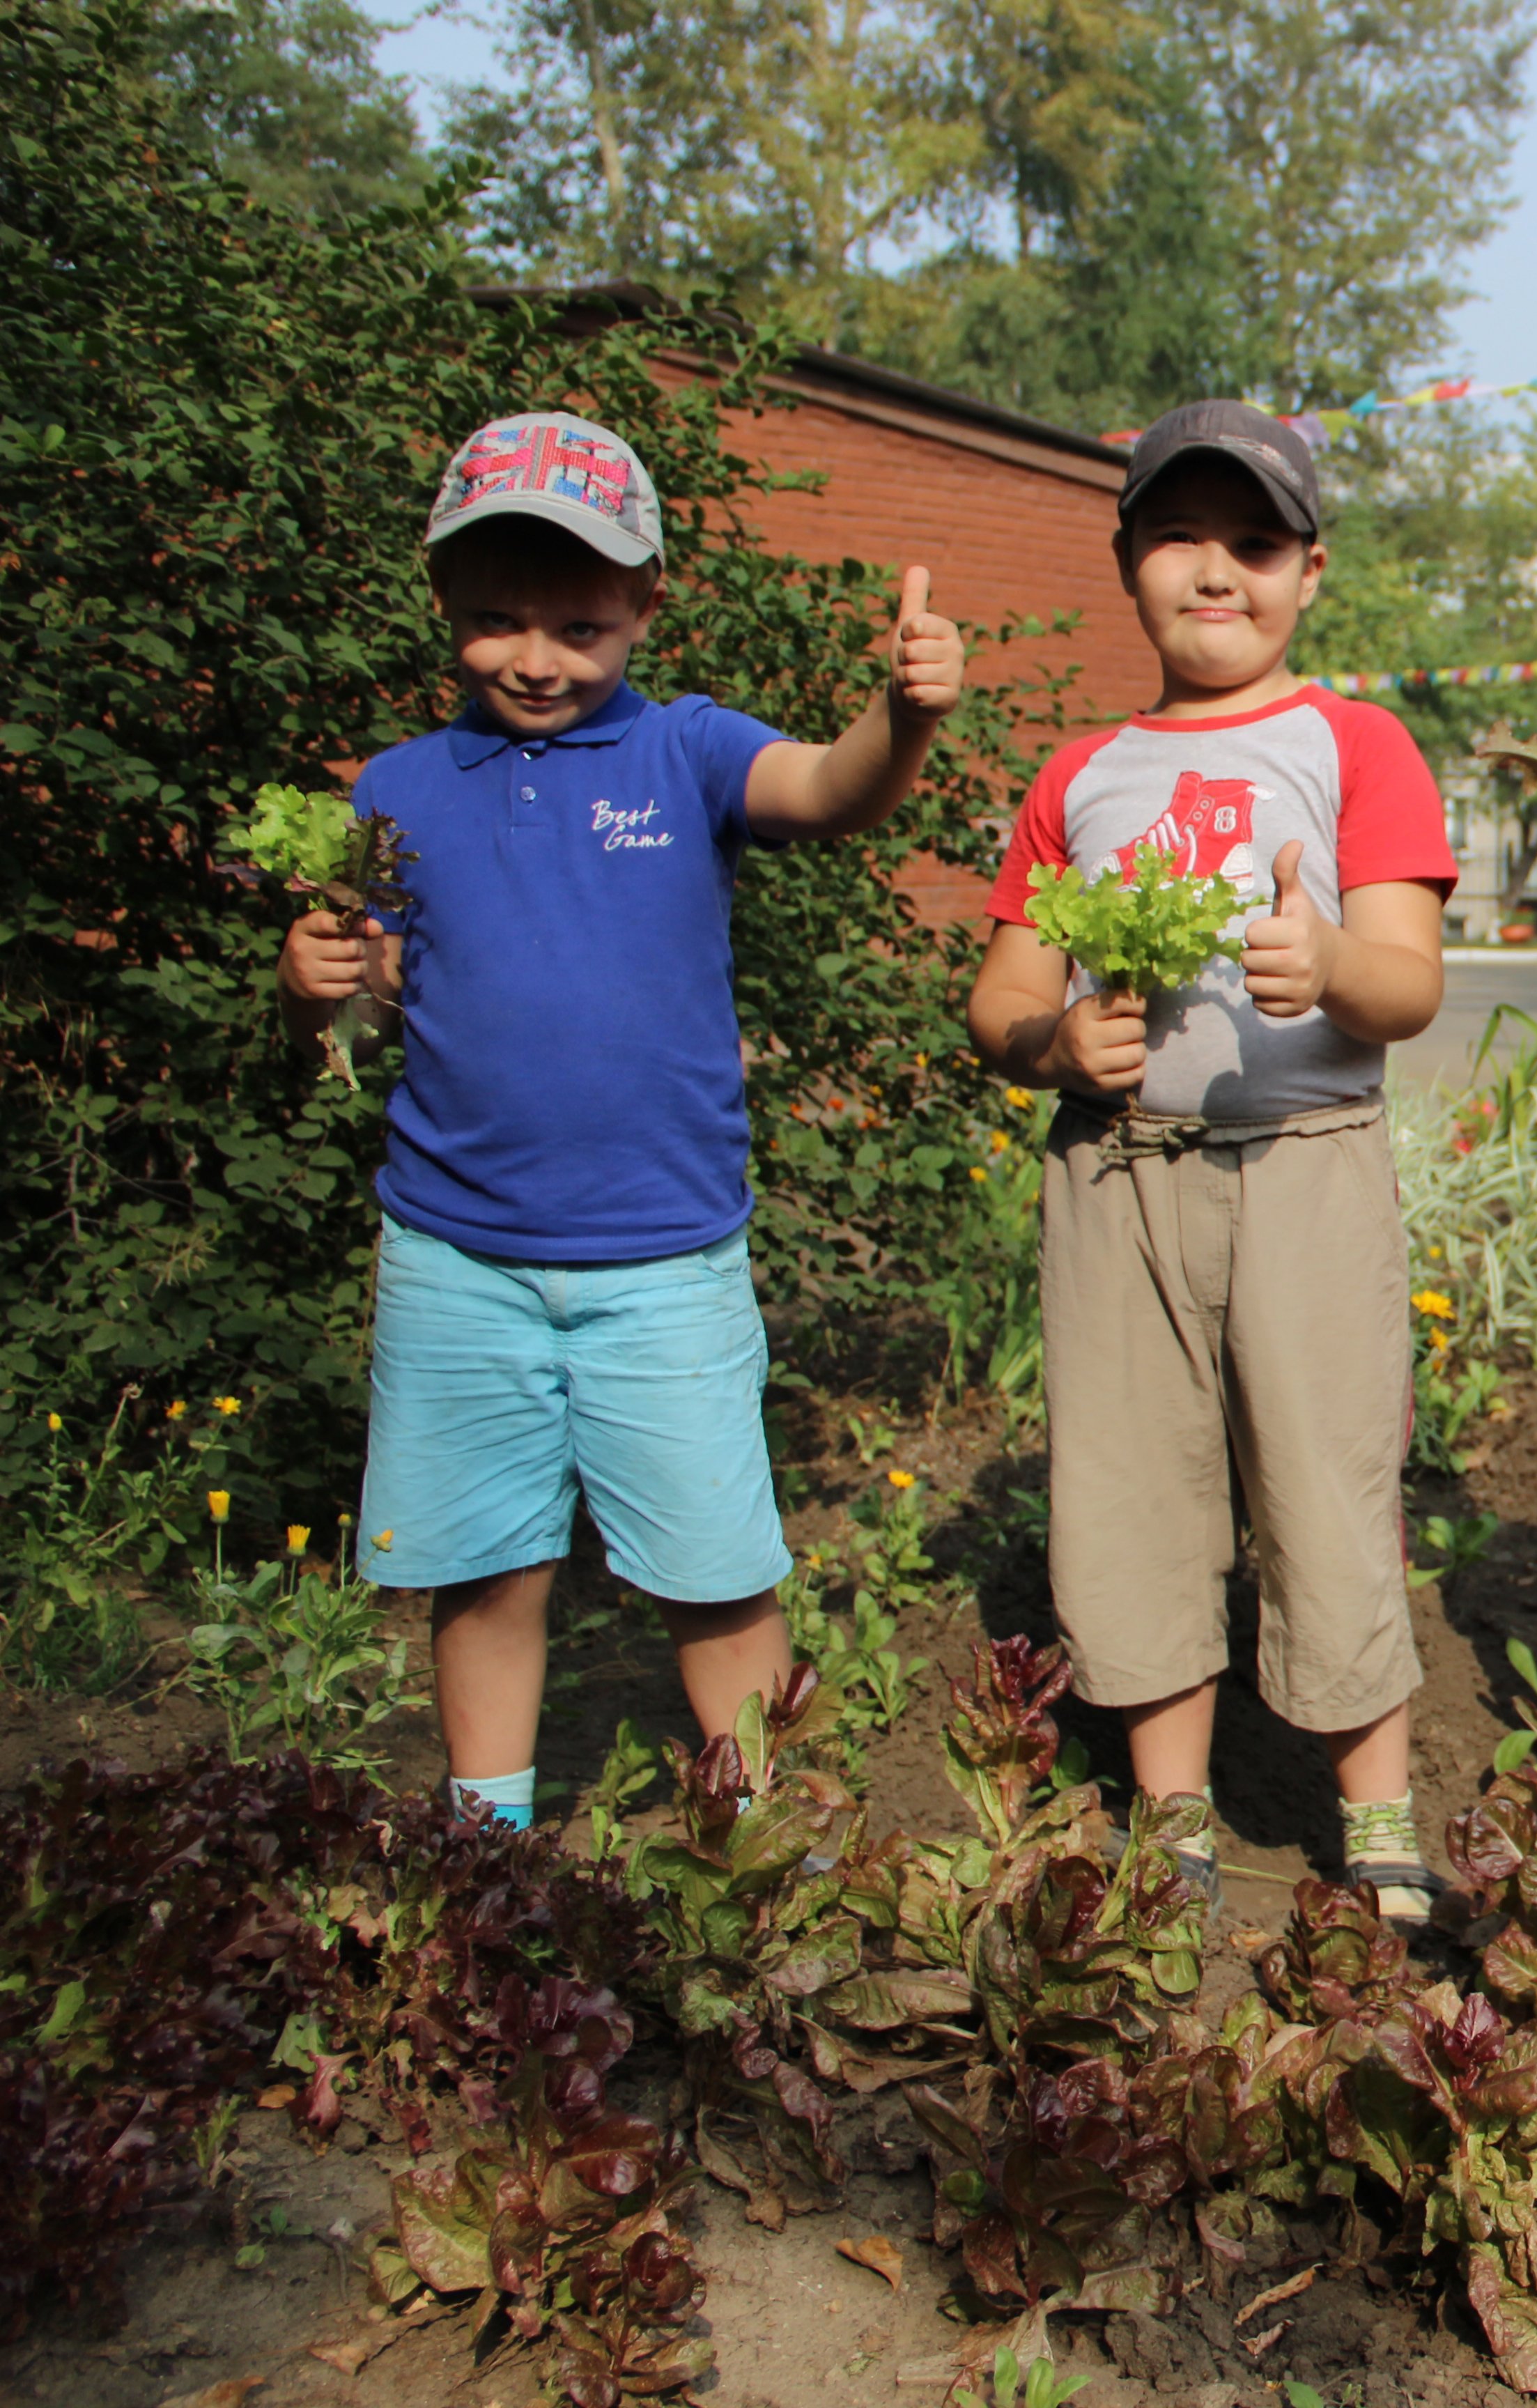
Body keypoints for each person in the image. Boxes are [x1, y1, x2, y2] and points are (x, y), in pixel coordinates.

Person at [275, 409, 966, 1831]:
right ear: (442, 606)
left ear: (648, 602)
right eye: (495, 620)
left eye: (580, 624)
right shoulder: (396, 790)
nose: (535, 656)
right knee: (486, 1565)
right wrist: (315, 984)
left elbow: (829, 793)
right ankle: (487, 1842)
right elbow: (376, 1003)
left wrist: (902, 718)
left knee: (714, 1570)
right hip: (457, 1251)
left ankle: (768, 1847)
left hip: (661, 1257)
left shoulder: (689, 754)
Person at [965, 402, 1455, 1920]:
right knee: (1130, 1481)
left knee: (1322, 1476)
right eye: (1180, 538)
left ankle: (1373, 1809)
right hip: (1117, 1179)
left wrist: (1328, 958)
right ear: (1128, 565)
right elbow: (998, 994)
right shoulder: (1083, 773)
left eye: (1253, 542)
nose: (1217, 571)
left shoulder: (1354, 743)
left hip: (1306, 1164)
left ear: (1310, 571)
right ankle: (1171, 1803)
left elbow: (1410, 987)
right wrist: (1052, 1046)